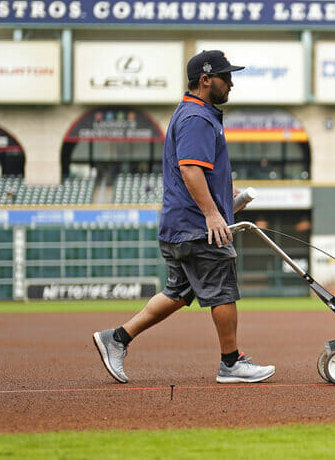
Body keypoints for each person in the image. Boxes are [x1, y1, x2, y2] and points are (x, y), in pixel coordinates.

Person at [92, 50, 274, 384]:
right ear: (205, 80)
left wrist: (225, 202)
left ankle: (116, 338)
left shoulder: (193, 114)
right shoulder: (197, 117)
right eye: (225, 77)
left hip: (181, 225)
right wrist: (212, 215)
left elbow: (194, 172)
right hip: (196, 227)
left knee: (178, 293)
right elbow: (190, 169)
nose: (231, 83)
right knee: (223, 290)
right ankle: (231, 363)